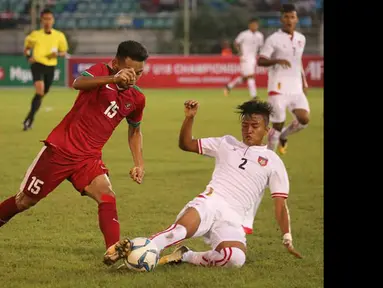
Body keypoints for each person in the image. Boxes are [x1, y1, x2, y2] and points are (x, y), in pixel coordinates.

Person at [0, 40, 148, 266]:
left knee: (107, 195)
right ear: (115, 63)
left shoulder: (137, 98)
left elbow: (135, 131)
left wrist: (139, 163)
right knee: (24, 201)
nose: (134, 77)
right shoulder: (101, 72)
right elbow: (78, 82)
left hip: (88, 159)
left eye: (139, 72)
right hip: (60, 151)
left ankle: (112, 250)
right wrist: (113, 79)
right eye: (130, 71)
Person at [108, 99, 302, 269]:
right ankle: (133, 249)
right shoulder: (226, 143)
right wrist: (189, 118)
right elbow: (186, 144)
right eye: (245, 125)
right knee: (180, 230)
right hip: (210, 202)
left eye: (255, 126)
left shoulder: (274, 162)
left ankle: (186, 256)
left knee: (235, 259)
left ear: (266, 130)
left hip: (234, 218)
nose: (248, 130)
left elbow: (280, 205)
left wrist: (287, 237)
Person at [257, 4, 310, 155]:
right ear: (281, 19)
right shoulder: (273, 39)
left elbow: (298, 62)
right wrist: (276, 61)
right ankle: (268, 158)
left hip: (296, 88)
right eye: (286, 17)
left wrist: (304, 82)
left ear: (296, 19)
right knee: (277, 125)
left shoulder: (301, 39)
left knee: (304, 120)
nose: (289, 20)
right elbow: (261, 61)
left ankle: (284, 136)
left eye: (292, 17)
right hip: (277, 88)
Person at [23, 8, 69, 131]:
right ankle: (28, 120)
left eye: (49, 19)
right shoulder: (35, 35)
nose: (47, 21)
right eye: (45, 19)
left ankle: (29, 118)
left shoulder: (59, 36)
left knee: (42, 93)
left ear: (53, 20)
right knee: (40, 90)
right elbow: (27, 48)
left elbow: (64, 52)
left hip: (50, 66)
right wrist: (28, 56)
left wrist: (57, 55)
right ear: (41, 20)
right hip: (37, 65)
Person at [223, 18, 264, 99]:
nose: (254, 26)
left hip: (253, 58)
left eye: (256, 25)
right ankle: (254, 96)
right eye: (253, 25)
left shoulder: (260, 35)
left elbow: (261, 47)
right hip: (245, 57)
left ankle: (228, 86)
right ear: (249, 25)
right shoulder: (244, 34)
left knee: (245, 78)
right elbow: (236, 43)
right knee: (251, 76)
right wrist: (240, 52)